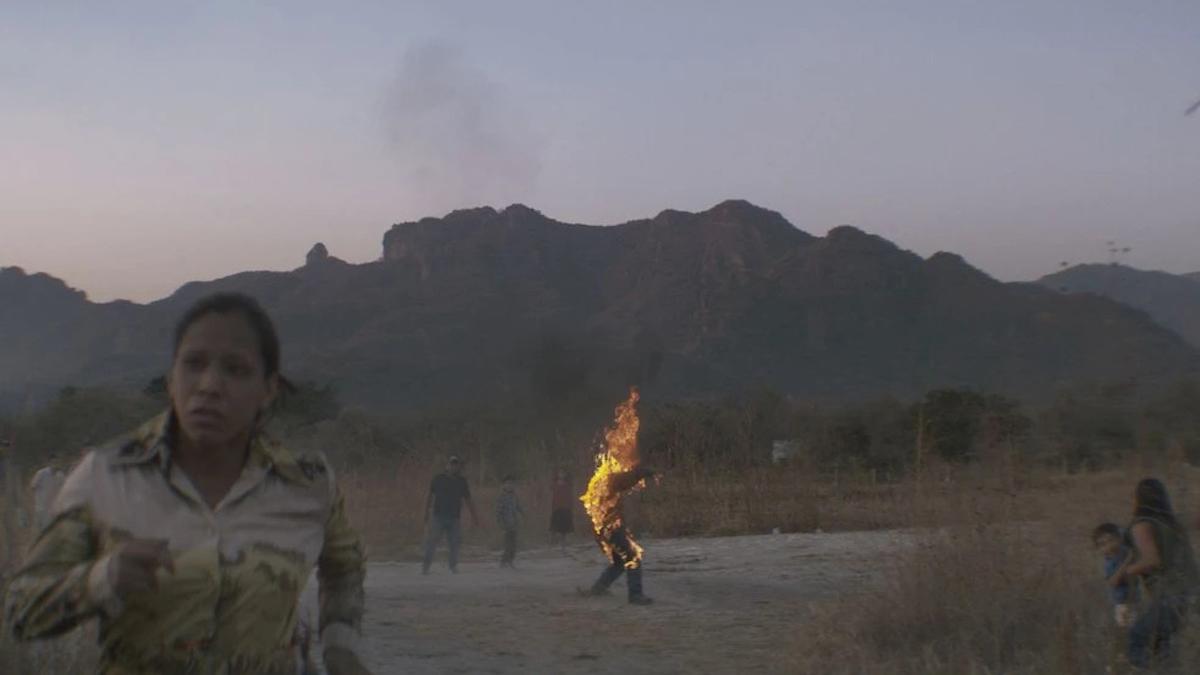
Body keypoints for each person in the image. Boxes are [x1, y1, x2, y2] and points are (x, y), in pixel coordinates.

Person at [3, 292, 371, 675]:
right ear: (170, 380)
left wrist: (341, 650)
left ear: (268, 390)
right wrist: (102, 580)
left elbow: (344, 570)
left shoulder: (307, 484)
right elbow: (21, 609)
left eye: (236, 369)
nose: (209, 385)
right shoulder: (106, 475)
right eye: (193, 364)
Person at [1108, 478, 1200, 669]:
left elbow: (1152, 560)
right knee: (1161, 646)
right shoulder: (1172, 525)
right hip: (1191, 595)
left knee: (1137, 637)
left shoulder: (1142, 525)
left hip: (1170, 596)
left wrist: (1127, 571)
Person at [582, 464, 657, 605]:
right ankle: (635, 595)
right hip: (611, 528)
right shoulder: (609, 480)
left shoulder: (599, 483)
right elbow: (624, 481)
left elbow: (623, 482)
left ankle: (598, 589)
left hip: (603, 529)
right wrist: (639, 473)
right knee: (633, 557)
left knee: (618, 563)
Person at [422, 455, 479, 574]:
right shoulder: (438, 479)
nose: (454, 466)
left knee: (454, 543)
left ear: (458, 466)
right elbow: (430, 496)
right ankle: (425, 567)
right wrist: (426, 512)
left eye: (456, 464)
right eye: (451, 464)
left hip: (454, 518)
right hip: (438, 516)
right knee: (432, 542)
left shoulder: (462, 481)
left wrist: (474, 516)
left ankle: (453, 566)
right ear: (447, 465)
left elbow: (468, 499)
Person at [1093, 522, 1136, 628]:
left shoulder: (1124, 551)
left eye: (1111, 540)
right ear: (1099, 549)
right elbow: (1113, 582)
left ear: (1119, 539)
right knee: (1128, 627)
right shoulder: (1109, 563)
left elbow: (1124, 532)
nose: (1109, 546)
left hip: (1135, 599)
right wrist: (1128, 561)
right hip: (1122, 603)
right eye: (1103, 544)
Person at [29, 453, 67, 531]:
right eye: (54, 462)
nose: (55, 464)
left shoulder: (61, 476)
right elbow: (33, 487)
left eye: (57, 462)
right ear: (49, 463)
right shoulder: (41, 474)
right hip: (42, 508)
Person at [495, 474, 524, 568]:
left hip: (514, 523)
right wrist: (500, 523)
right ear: (503, 485)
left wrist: (523, 513)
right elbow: (498, 511)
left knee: (514, 545)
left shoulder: (514, 496)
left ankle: (510, 561)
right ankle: (503, 562)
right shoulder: (501, 497)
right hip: (506, 524)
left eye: (512, 484)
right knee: (508, 545)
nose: (510, 485)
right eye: (507, 483)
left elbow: (518, 506)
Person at [549, 467, 574, 552]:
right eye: (560, 473)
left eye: (563, 472)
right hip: (557, 507)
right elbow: (552, 496)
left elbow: (569, 496)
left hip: (566, 507)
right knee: (555, 527)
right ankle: (553, 542)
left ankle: (563, 545)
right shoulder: (554, 484)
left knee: (564, 528)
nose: (561, 474)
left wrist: (570, 506)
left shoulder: (568, 484)